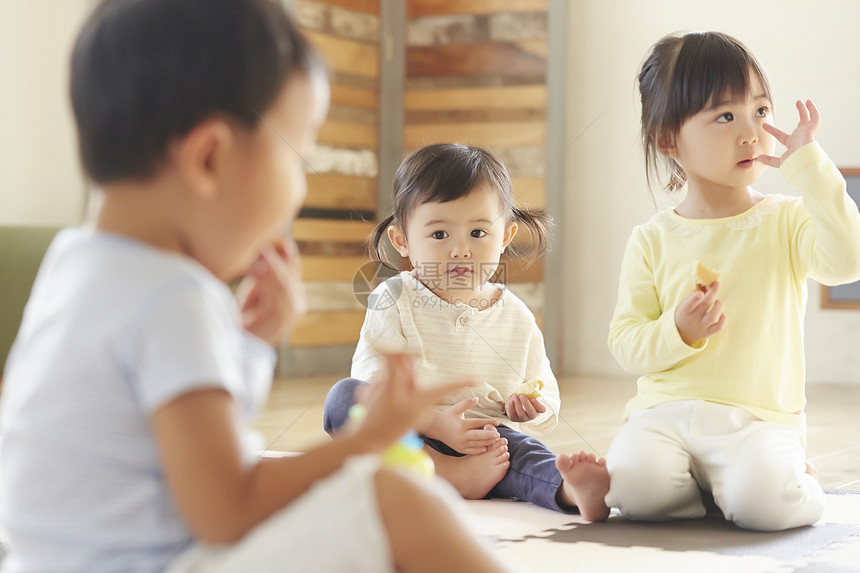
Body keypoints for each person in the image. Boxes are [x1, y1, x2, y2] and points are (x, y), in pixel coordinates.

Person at [0, 2, 518, 572]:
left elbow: (187, 443)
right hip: (159, 560)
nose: (297, 190)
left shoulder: (74, 262)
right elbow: (226, 508)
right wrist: (366, 442)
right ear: (210, 158)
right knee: (397, 499)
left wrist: (249, 345)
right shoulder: (174, 296)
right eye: (295, 155)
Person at [603, 31, 860, 531]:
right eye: (725, 116)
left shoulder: (786, 219)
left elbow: (848, 262)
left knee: (767, 505)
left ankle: (778, 478)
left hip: (760, 422)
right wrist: (678, 331)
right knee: (634, 488)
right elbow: (626, 343)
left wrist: (812, 169)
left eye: (760, 112)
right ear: (667, 139)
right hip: (663, 415)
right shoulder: (651, 239)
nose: (752, 132)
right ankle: (707, 489)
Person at [323, 143, 612, 522]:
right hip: (408, 436)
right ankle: (442, 473)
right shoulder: (395, 297)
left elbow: (544, 390)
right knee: (344, 400)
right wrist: (435, 423)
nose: (461, 250)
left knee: (523, 453)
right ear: (403, 242)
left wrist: (530, 409)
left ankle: (571, 489)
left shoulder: (517, 317)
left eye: (478, 232)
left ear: (505, 237)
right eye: (440, 235)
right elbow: (374, 387)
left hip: (484, 440)